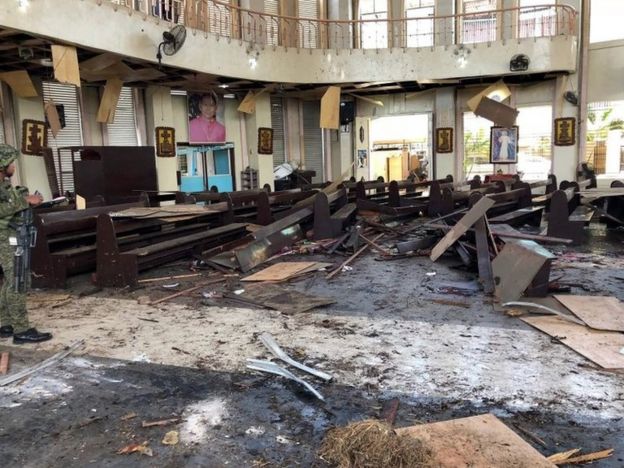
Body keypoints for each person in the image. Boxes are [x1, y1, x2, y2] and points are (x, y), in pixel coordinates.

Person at [0, 144, 52, 344]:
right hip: (4, 239)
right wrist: (25, 201)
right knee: (17, 281)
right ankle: (21, 330)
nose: (13, 165)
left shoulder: (4, 184)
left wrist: (24, 198)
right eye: (11, 162)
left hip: (10, 235)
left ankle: (5, 324)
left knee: (10, 280)